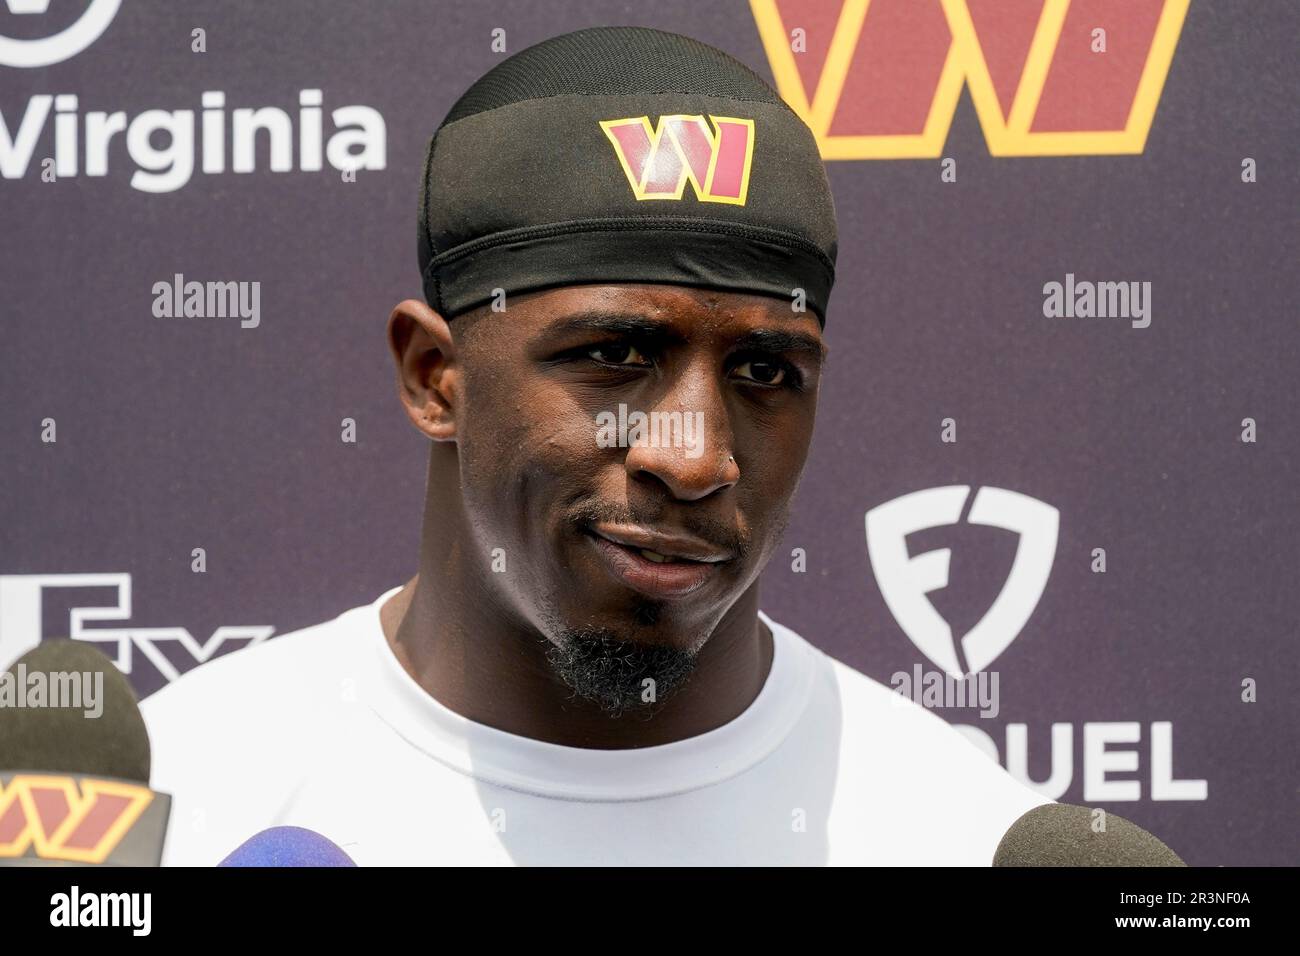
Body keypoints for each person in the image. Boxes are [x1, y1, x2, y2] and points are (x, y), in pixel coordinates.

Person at [141, 25, 1050, 865]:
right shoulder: (176, 804)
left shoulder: (960, 835)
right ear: (434, 376)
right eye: (613, 356)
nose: (694, 461)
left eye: (766, 373)